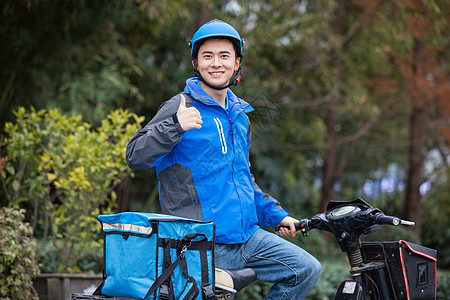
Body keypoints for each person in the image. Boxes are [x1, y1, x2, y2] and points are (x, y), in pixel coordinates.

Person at [126, 19, 321, 299]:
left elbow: (242, 179)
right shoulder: (181, 106)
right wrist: (176, 126)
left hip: (247, 238)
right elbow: (135, 156)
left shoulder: (239, 117)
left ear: (237, 63)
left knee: (305, 269)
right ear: (196, 63)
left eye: (224, 56)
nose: (215, 63)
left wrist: (276, 215)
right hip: (201, 243)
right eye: (207, 56)